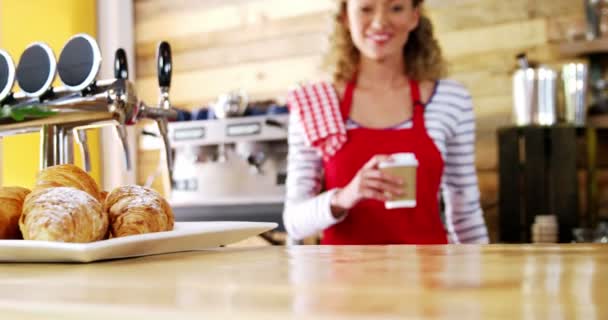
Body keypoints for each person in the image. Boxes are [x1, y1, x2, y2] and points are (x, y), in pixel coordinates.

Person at [283, 0, 489, 244]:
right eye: (366, 9)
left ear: (414, 16)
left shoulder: (450, 99)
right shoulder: (317, 104)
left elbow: (466, 211)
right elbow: (295, 223)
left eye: (396, 8)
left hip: (430, 276)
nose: (380, 22)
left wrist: (481, 273)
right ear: (346, 17)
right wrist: (346, 196)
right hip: (342, 280)